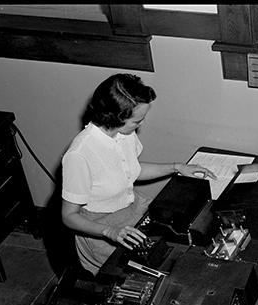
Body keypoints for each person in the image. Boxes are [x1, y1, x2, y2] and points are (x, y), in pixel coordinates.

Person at [61, 73, 216, 275]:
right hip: (99, 228)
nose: (141, 125)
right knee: (127, 277)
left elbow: (131, 170)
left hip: (129, 213)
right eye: (136, 121)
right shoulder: (80, 156)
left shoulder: (122, 133)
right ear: (114, 117)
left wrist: (177, 167)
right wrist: (110, 232)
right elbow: (69, 216)